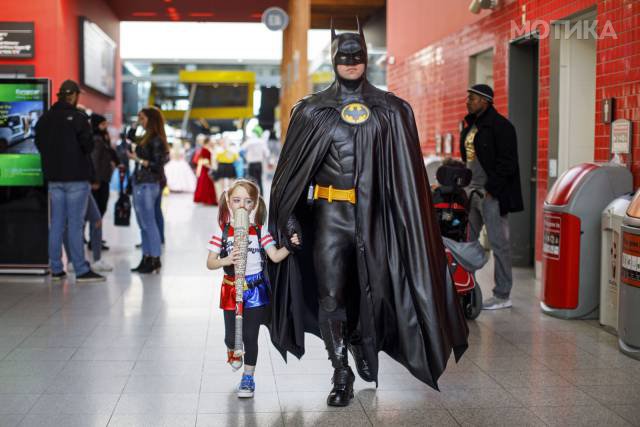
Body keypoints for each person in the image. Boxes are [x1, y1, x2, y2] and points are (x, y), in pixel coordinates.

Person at [267, 22, 468, 407]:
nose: (351, 63)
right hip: (329, 216)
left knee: (373, 289)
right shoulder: (311, 111)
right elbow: (288, 174)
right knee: (330, 293)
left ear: (366, 58)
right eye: (344, 57)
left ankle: (360, 339)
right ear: (333, 60)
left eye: (357, 55)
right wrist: (288, 217)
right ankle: (340, 369)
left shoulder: (391, 110)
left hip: (376, 216)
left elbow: (407, 175)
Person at [206, 179, 299, 398]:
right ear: (228, 201)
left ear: (254, 205)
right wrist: (226, 259)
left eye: (248, 201)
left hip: (255, 291)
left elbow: (275, 256)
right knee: (232, 338)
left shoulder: (259, 231)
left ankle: (248, 378)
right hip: (231, 290)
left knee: (250, 337)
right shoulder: (222, 232)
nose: (242, 205)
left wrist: (290, 246)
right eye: (237, 200)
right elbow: (210, 262)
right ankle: (232, 348)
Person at [34, 79, 105, 283]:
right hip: (76, 179)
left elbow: (38, 144)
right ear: (73, 96)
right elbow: (88, 146)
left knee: (56, 223)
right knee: (75, 224)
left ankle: (56, 269)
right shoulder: (79, 118)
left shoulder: (44, 119)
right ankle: (81, 269)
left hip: (54, 179)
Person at [461, 84, 524, 310]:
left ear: (485, 101)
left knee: (499, 244)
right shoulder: (470, 125)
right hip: (471, 192)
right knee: (466, 241)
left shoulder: (502, 126)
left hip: (491, 194)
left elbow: (508, 163)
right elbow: (468, 160)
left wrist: (491, 189)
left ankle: (502, 294)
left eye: (472, 98)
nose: (468, 102)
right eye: (468, 98)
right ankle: (466, 287)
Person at [128, 106, 169, 274]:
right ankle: (147, 257)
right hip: (140, 182)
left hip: (149, 184)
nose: (140, 121)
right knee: (143, 224)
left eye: (142, 118)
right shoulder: (146, 137)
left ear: (151, 120)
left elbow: (157, 164)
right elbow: (130, 137)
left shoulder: (156, 139)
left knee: (149, 223)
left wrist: (138, 159)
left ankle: (155, 258)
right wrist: (134, 125)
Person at [89, 113, 118, 251]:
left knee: (100, 210)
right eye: (103, 124)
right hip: (99, 181)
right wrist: (95, 180)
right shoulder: (97, 140)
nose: (106, 126)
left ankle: (96, 238)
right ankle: (94, 240)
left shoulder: (101, 138)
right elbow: (94, 161)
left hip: (102, 179)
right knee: (98, 211)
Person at [241, 126, 270, 194]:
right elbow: (267, 154)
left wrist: (245, 157)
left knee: (252, 182)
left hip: (251, 164)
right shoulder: (261, 142)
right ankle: (261, 196)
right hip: (259, 164)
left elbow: (241, 150)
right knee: (260, 181)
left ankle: (253, 196)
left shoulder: (249, 142)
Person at [193, 136, 217, 205]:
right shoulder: (204, 149)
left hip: (206, 168)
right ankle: (207, 199)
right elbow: (204, 161)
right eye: (211, 141)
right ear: (208, 141)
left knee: (206, 184)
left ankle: (208, 199)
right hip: (206, 169)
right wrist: (210, 167)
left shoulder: (208, 148)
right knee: (206, 184)